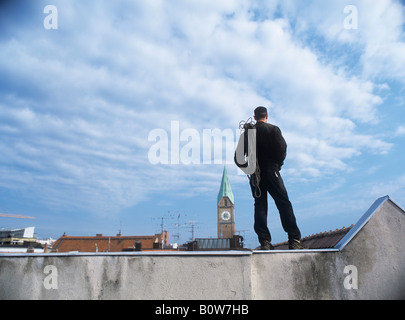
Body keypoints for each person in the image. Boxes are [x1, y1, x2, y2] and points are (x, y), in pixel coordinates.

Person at [250, 106, 305, 250]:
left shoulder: (248, 133)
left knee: (260, 206)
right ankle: (294, 240)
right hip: (271, 171)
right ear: (266, 116)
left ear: (254, 117)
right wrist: (277, 165)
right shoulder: (274, 129)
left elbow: (238, 157)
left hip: (256, 175)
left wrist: (249, 169)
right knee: (283, 204)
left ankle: (265, 242)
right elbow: (282, 148)